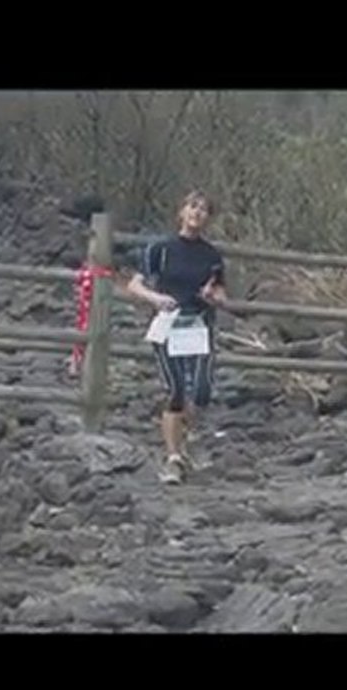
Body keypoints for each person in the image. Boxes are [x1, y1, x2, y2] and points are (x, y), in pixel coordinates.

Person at [124, 190, 227, 484]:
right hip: (168, 325)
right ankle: (173, 458)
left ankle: (188, 440)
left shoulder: (211, 255)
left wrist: (213, 296)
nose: (197, 213)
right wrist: (155, 298)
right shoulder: (161, 249)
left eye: (204, 209)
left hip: (199, 325)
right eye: (192, 206)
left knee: (202, 390)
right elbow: (134, 285)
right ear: (181, 212)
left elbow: (221, 291)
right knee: (176, 390)